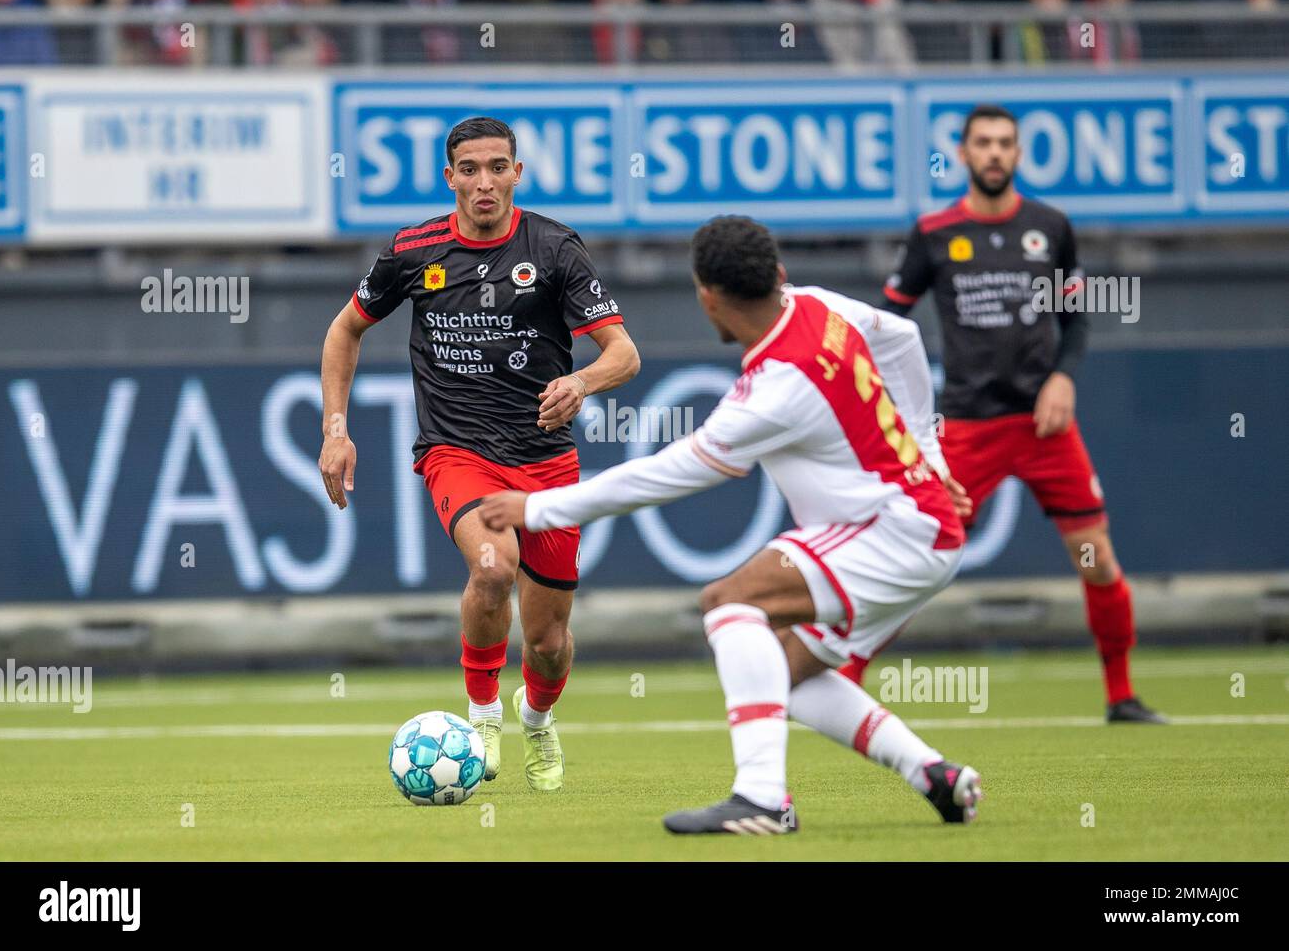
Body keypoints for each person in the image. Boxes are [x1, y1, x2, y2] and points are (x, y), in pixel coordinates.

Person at [480, 216, 982, 834]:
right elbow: (904, 336)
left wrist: (538, 509)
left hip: (892, 533)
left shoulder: (776, 386)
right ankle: (934, 775)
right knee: (785, 675)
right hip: (916, 525)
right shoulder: (819, 306)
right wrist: (930, 458)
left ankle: (763, 800)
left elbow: (667, 473)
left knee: (729, 604)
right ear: (778, 275)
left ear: (706, 296)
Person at [318, 116, 641, 791]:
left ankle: (538, 718)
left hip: (546, 462)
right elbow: (345, 331)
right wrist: (335, 430)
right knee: (493, 569)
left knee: (549, 644)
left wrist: (580, 381)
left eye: (499, 167)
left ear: (517, 173)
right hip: (457, 450)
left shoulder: (554, 248)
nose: (485, 182)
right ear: (450, 178)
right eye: (470, 169)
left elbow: (624, 354)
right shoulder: (414, 250)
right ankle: (483, 715)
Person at [873, 103, 1165, 723]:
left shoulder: (1050, 227)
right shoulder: (932, 233)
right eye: (984, 143)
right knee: (912, 559)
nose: (996, 153)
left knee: (1096, 557)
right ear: (962, 153)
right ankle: (842, 675)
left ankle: (1121, 694)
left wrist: (1063, 376)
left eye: (1006, 143)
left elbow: (1076, 320)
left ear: (1020, 153)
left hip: (1043, 428)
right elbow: (886, 322)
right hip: (967, 428)